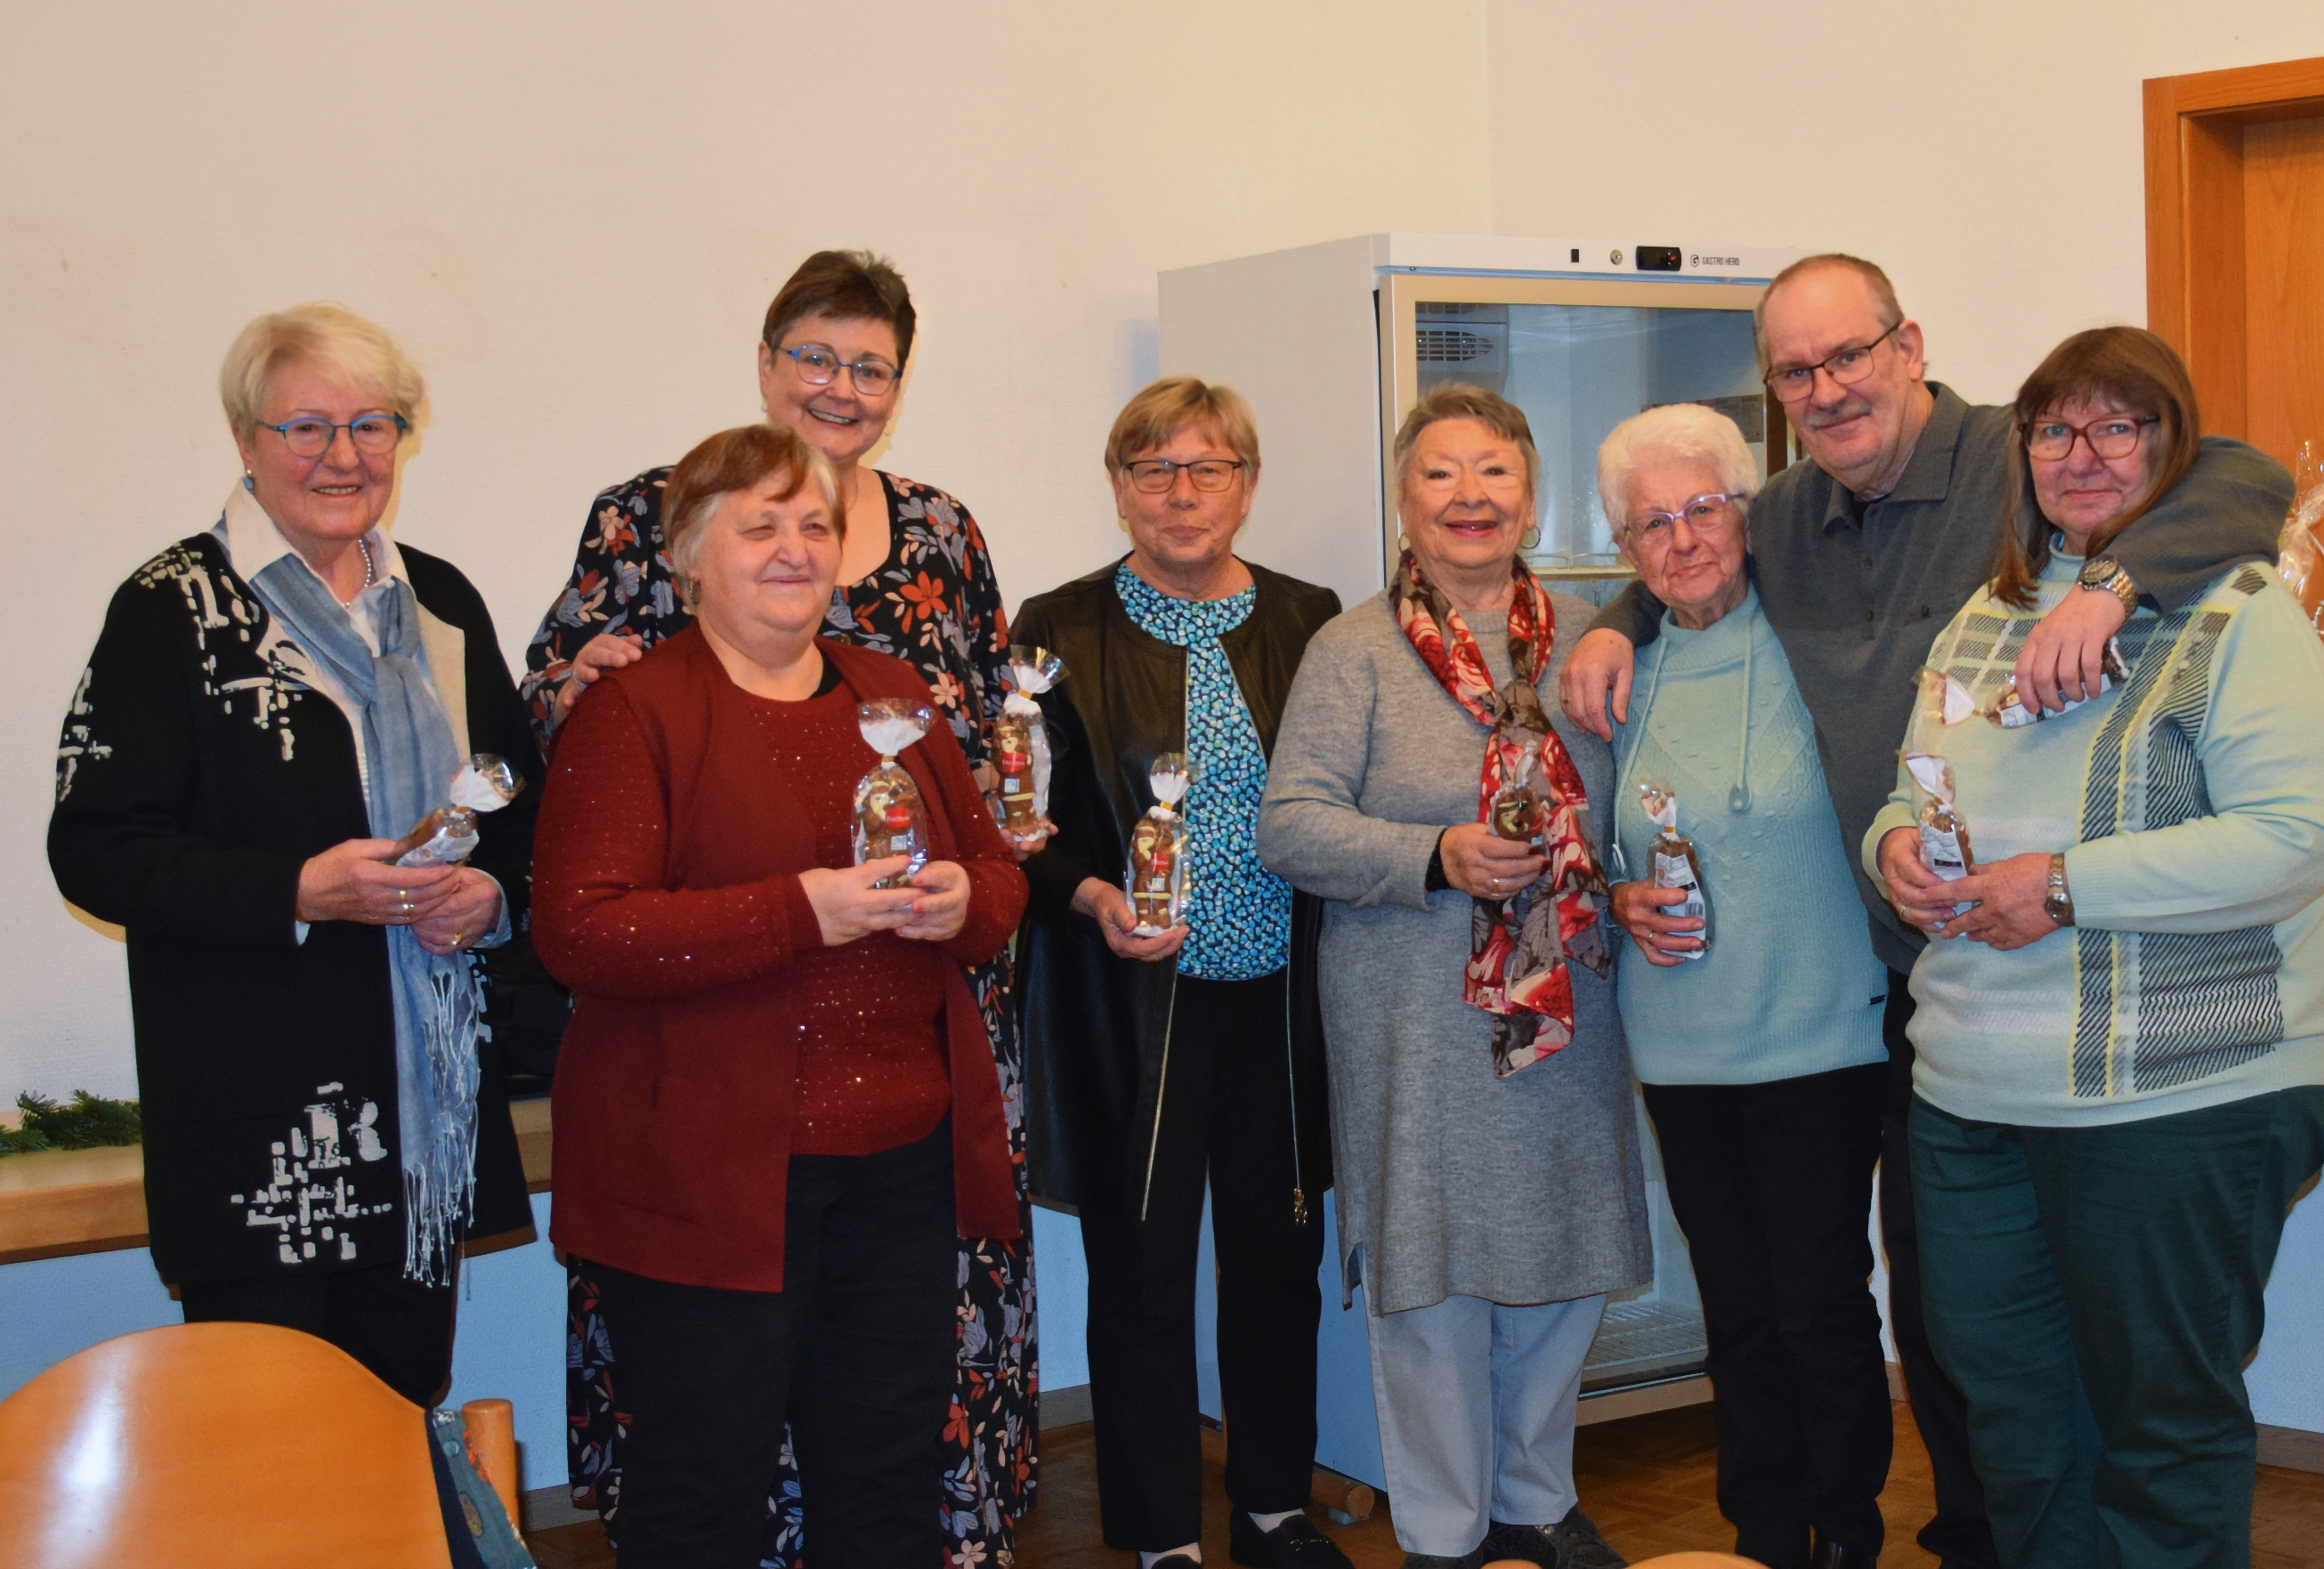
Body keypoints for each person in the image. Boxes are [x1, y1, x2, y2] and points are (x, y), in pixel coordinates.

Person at [1556, 255, 2291, 1569]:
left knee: (1980, 1322)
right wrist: (1615, 618)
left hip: (2027, 971)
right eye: (1798, 370)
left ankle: (1990, 1544)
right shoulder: (1781, 512)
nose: (1830, 388)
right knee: (1949, 1309)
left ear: (1909, 345)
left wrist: (2114, 582)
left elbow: (2240, 481)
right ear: (1778, 395)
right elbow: (1684, 543)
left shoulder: (2021, 455)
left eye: (1850, 355)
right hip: (1886, 964)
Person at [524, 249, 1032, 1557]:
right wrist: (802, 907)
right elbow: (581, 931)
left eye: (812, 524)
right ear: (687, 553)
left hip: (896, 1173)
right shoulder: (632, 714)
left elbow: (997, 882)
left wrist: (951, 906)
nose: (794, 548)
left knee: (878, 1484)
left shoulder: (893, 696)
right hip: (703, 1175)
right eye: (758, 526)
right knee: (705, 1492)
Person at [1861, 327, 2324, 1569]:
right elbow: (1908, 790)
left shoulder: (2243, 614)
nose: (2079, 455)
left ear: (2171, 447)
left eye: (2115, 427)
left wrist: (2066, 886)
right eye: (2052, 429)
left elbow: (2297, 837)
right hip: (1973, 1096)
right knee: (2015, 1426)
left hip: (2182, 1095)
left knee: (2157, 1432)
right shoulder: (1987, 612)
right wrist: (1893, 854)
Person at [47, 303, 537, 1405]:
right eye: (306, 426)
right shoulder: (170, 609)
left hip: (425, 1126)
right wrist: (300, 888)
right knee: (275, 1459)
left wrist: (490, 897)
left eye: (373, 423)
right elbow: (95, 848)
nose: (343, 454)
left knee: (398, 1430)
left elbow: (522, 808)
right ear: (245, 441)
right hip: (259, 1131)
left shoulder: (442, 602)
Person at [1261, 384, 1648, 1569]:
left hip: (1567, 1011)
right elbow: (1290, 827)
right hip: (1411, 1019)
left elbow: (1641, 801)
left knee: (1560, 1256)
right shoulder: (1353, 649)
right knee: (1429, 1273)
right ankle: (1441, 1526)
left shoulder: (1595, 636)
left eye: (1492, 471)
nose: (1468, 497)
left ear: (1530, 494)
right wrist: (1433, 855)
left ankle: (1536, 1494)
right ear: (1403, 498)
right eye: (1439, 473)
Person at [1014, 378, 1349, 1569]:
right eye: (1153, 469)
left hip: (1284, 1000)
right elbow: (1023, 821)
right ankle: (1159, 1536)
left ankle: (1272, 1506)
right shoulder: (1055, 627)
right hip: (1133, 1005)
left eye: (1208, 468)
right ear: (1117, 486)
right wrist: (1091, 896)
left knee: (1280, 1262)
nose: (1182, 493)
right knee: (1141, 1275)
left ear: (1247, 485)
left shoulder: (1312, 619)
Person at [1593, 405, 1892, 1569]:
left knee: (1819, 1298)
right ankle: (1763, 1532)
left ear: (1747, 513)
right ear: (1626, 549)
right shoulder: (1614, 674)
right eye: (1649, 523)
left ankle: (1848, 1528)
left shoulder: (1824, 642)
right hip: (1681, 1045)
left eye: (1701, 508)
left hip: (1822, 1031)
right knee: (1738, 1306)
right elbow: (1592, 845)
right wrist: (1619, 899)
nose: (1681, 538)